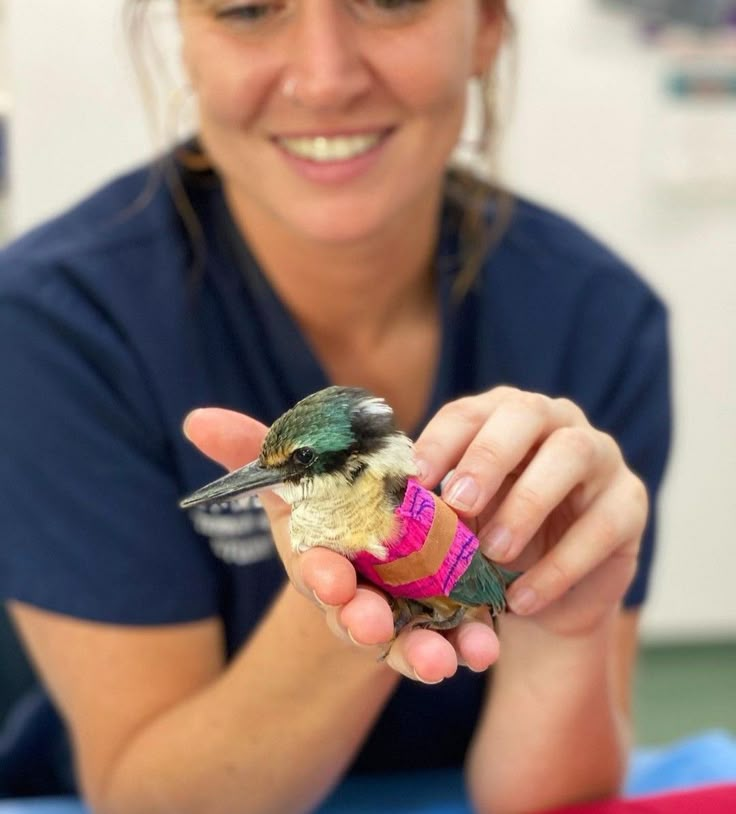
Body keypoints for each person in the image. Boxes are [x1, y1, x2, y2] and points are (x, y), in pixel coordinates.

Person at [0, 1, 671, 812]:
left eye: (391, 1)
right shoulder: (51, 329)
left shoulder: (596, 319)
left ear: (487, 26)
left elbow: (560, 798)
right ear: (184, 38)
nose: (324, 81)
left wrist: (565, 627)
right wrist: (347, 592)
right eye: (248, 8)